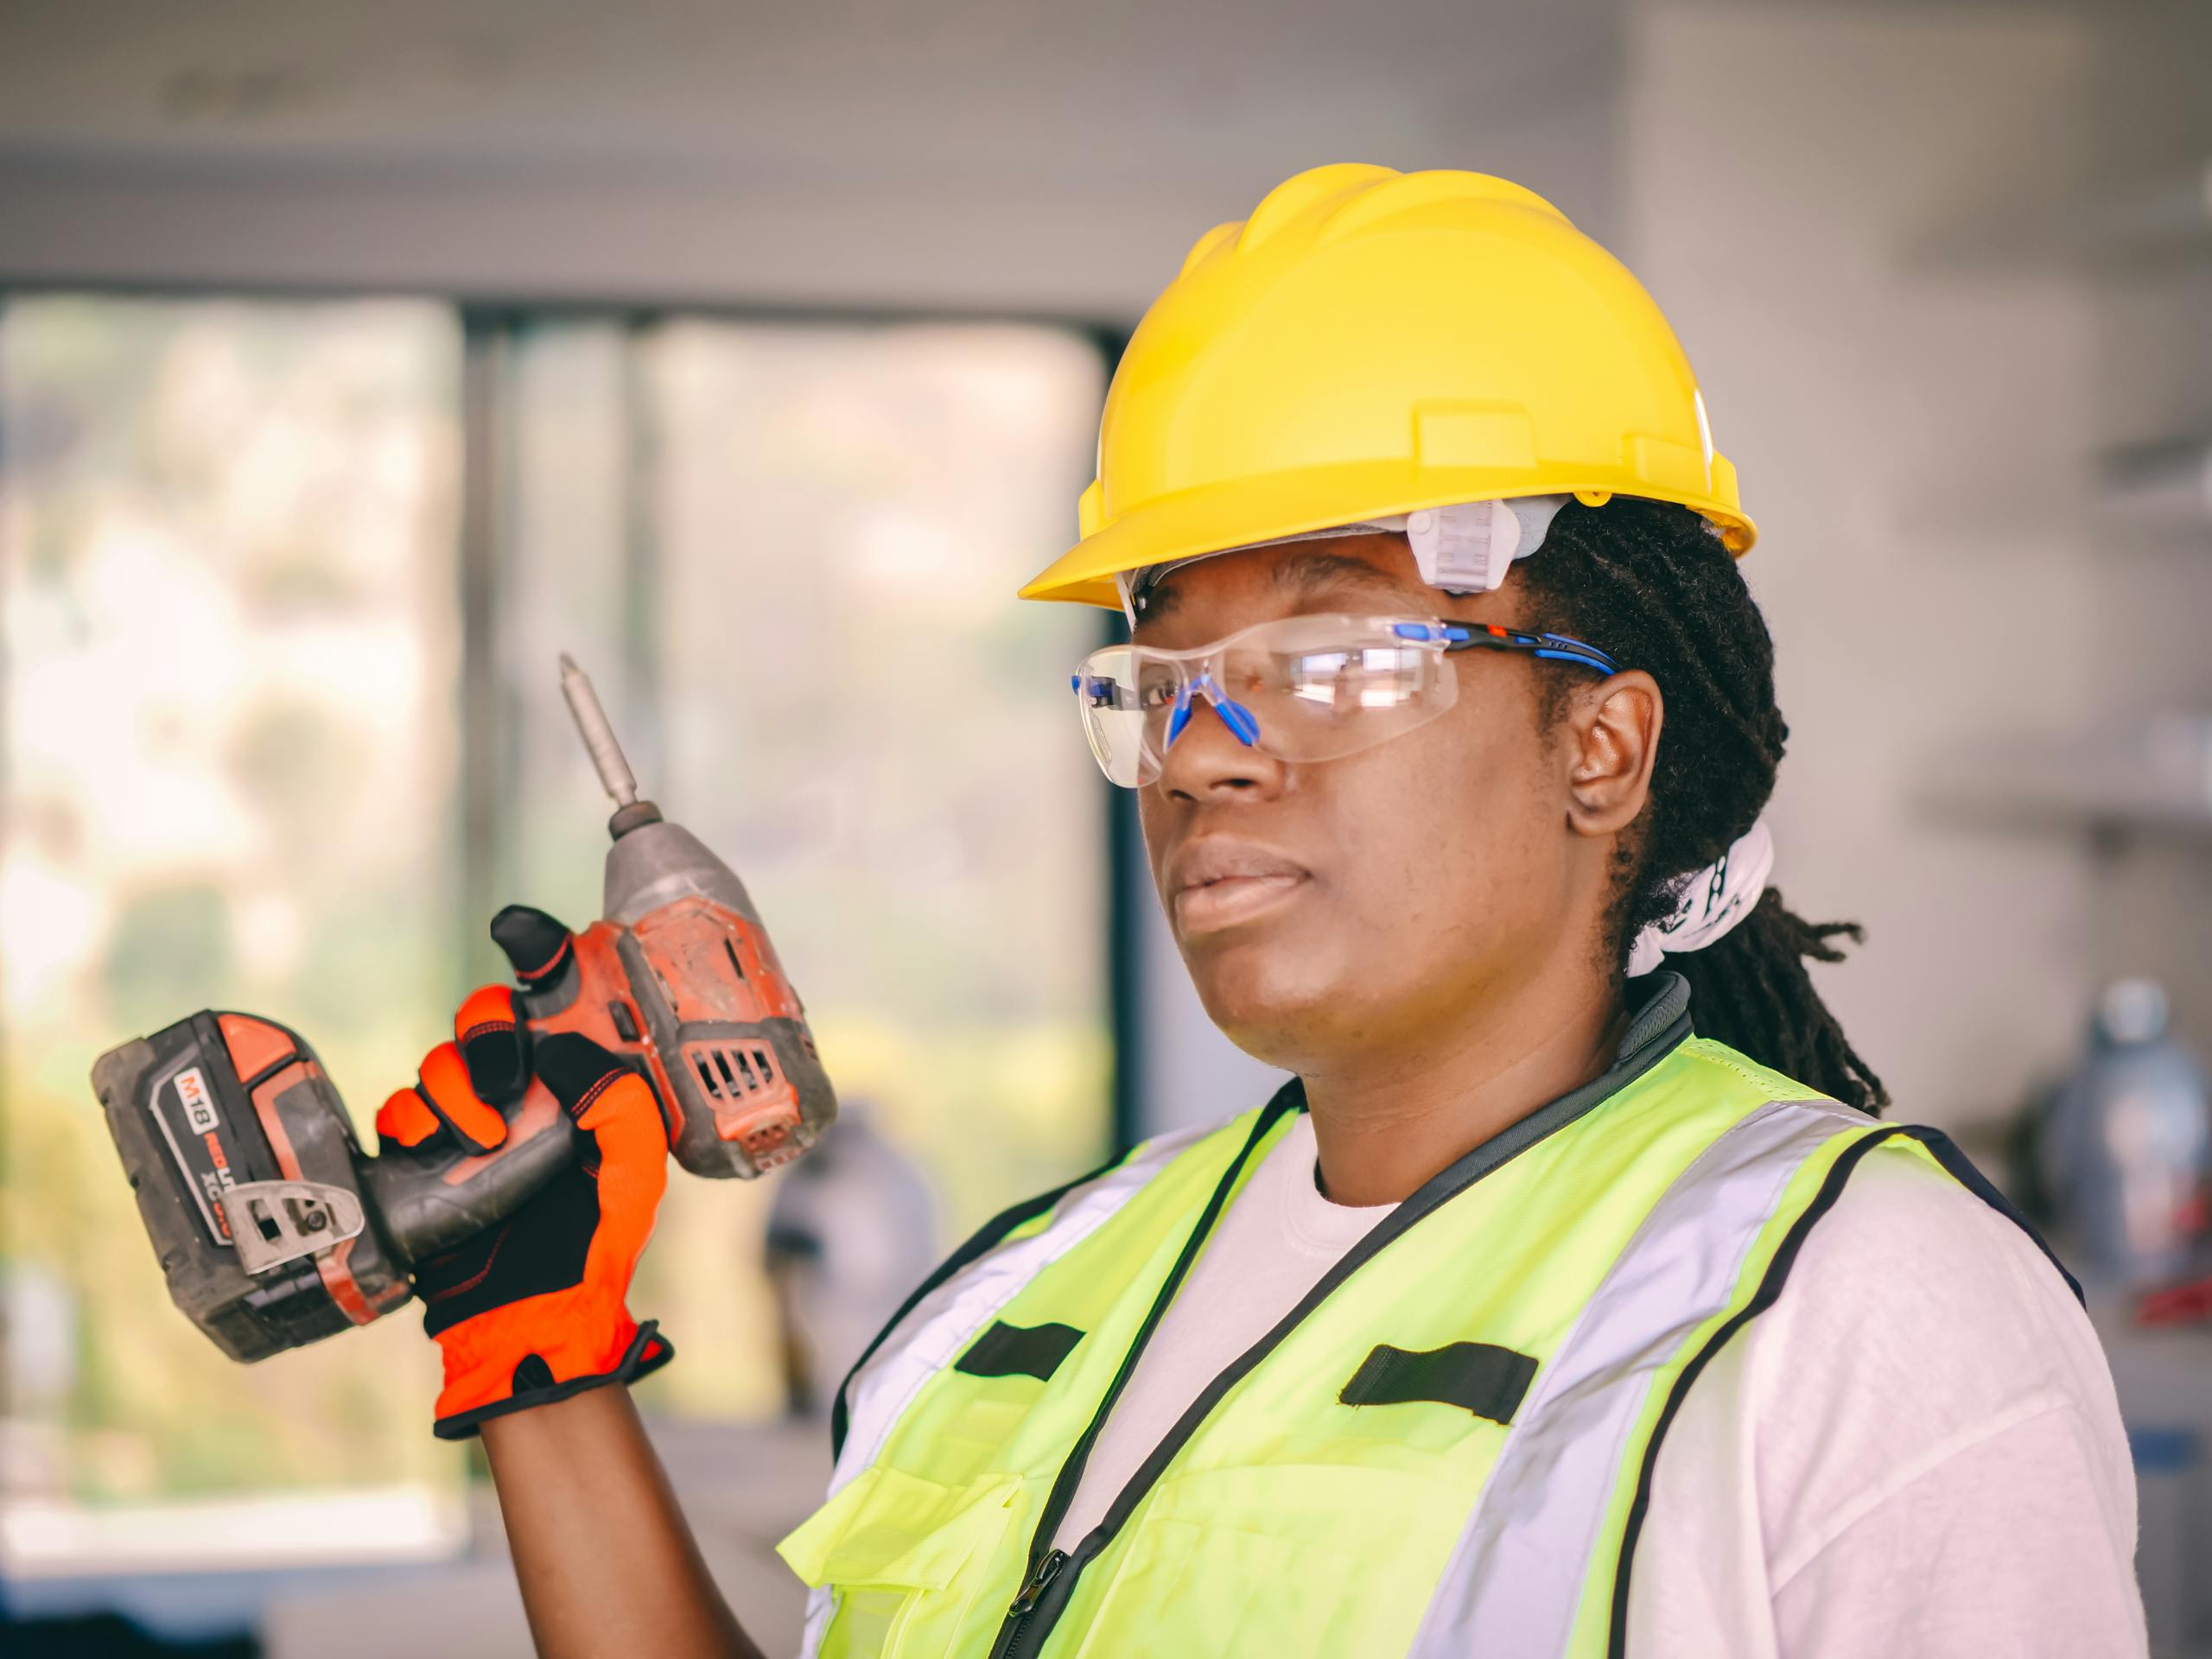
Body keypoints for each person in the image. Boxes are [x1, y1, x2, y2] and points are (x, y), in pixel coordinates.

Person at [373, 165, 2145, 1656]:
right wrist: (540, 1356)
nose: (1204, 758)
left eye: (1332, 655)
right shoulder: (1024, 1293)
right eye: (1164, 680)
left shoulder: (1854, 1309)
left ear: (1599, 745)